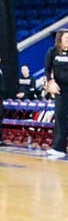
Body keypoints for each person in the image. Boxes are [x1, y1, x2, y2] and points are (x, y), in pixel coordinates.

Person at [43, 29, 68, 157]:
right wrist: (50, 82)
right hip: (61, 90)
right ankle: (59, 148)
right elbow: (47, 70)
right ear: (59, 40)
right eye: (66, 38)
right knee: (60, 117)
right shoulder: (52, 52)